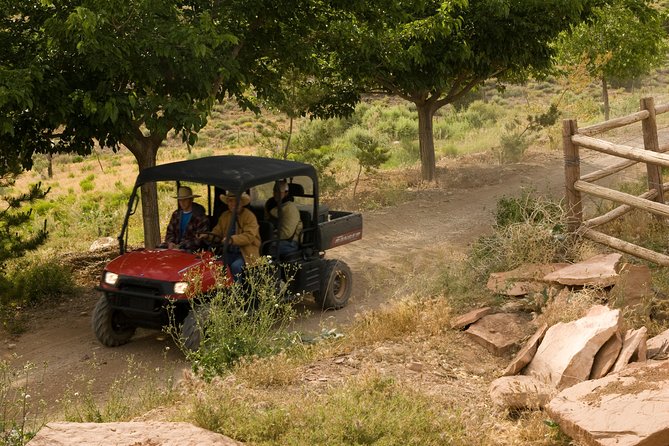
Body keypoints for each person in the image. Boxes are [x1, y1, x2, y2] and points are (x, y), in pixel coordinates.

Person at [208, 191, 260, 280]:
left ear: (241, 203)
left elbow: (249, 236)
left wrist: (232, 239)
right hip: (228, 252)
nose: (232, 204)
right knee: (214, 265)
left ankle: (236, 292)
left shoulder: (249, 216)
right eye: (230, 201)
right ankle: (220, 290)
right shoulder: (225, 216)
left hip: (245, 253)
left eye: (236, 201)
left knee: (235, 266)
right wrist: (208, 236)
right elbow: (217, 231)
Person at [164, 186, 209, 251]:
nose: (182, 202)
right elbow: (170, 232)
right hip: (174, 247)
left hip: (191, 249)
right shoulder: (176, 214)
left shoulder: (200, 216)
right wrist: (171, 243)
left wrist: (181, 246)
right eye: (180, 200)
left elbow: (200, 239)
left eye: (185, 200)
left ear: (191, 199)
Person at [264, 180, 302, 256]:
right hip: (273, 237)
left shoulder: (290, 208)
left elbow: (287, 233)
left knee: (267, 248)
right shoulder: (270, 204)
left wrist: (269, 237)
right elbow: (266, 222)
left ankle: (268, 267)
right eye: (275, 191)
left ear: (286, 193)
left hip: (290, 242)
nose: (276, 194)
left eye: (279, 192)